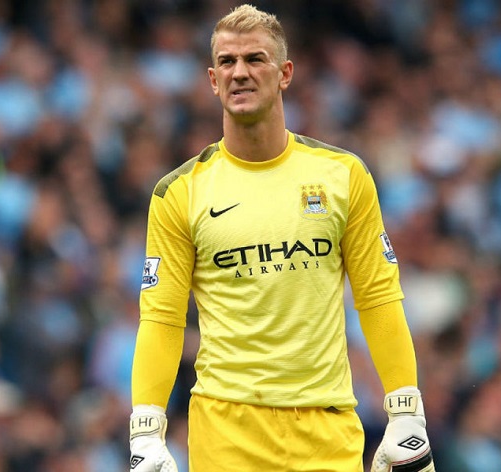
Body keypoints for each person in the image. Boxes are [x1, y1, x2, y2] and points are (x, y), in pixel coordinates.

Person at [129, 4, 435, 472]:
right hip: (226, 434)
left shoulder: (343, 176)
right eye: (227, 62)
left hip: (327, 430)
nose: (240, 72)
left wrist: (406, 410)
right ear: (213, 81)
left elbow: (378, 297)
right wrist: (146, 430)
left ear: (285, 73)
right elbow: (162, 318)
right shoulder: (178, 193)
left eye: (255, 59)